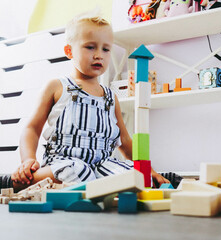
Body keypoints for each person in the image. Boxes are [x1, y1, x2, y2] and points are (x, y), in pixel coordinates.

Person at [1, 11, 170, 192]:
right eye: (90, 47)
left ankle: (98, 188)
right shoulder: (57, 87)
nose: (99, 55)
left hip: (101, 166)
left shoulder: (110, 97)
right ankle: (19, 181)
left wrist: (146, 169)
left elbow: (125, 140)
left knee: (134, 179)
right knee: (78, 172)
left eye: (105, 49)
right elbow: (32, 129)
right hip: (64, 164)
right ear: (69, 51)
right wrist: (28, 159)